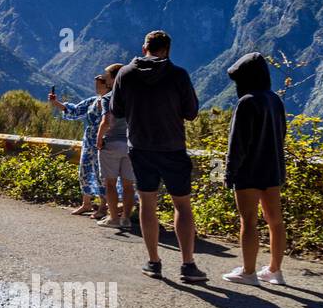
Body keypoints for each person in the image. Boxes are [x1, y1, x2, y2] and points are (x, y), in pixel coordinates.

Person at [110, 30, 208, 283]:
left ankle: (154, 262)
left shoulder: (125, 74)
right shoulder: (178, 75)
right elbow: (191, 112)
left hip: (140, 148)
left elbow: (117, 110)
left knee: (147, 203)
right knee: (182, 205)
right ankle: (188, 265)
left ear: (145, 49)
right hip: (172, 147)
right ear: (167, 50)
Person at [220, 52, 288, 286]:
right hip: (273, 170)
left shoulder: (246, 102)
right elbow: (282, 135)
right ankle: (274, 271)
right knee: (275, 221)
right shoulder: (275, 99)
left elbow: (237, 143)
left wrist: (229, 173)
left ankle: (249, 272)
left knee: (248, 221)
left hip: (249, 171)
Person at [48, 75, 108, 219]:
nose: (96, 87)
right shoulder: (92, 101)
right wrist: (56, 103)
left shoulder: (113, 101)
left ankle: (103, 206)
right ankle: (86, 203)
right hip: (89, 142)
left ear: (107, 85)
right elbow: (75, 111)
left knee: (102, 174)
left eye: (98, 85)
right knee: (84, 171)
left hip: (103, 142)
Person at [95, 63, 136, 231]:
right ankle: (126, 218)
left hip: (112, 143)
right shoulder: (134, 96)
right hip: (131, 144)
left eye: (107, 77)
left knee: (110, 184)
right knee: (129, 185)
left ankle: (113, 218)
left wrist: (99, 138)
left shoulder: (109, 97)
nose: (105, 80)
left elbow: (106, 121)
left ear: (114, 78)